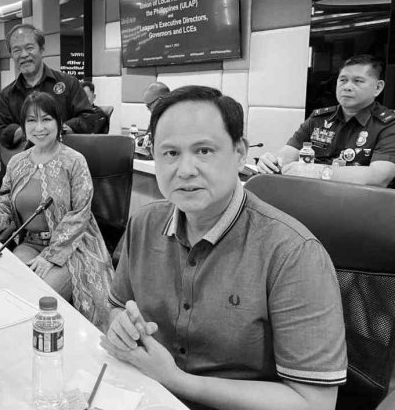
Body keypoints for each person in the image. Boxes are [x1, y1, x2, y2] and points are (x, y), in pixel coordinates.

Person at [102, 86, 347, 410]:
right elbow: (117, 307)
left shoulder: (292, 253)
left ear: (239, 152)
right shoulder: (144, 224)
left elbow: (315, 403)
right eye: (170, 153)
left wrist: (177, 380)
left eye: (204, 151)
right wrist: (121, 325)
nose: (185, 170)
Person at [0, 92, 114, 329]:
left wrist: (51, 255)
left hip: (73, 248)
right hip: (31, 243)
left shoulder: (74, 161)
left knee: (35, 300)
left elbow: (80, 214)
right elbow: (5, 202)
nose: (39, 127)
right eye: (31, 120)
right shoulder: (17, 162)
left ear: (58, 122)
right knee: (5, 290)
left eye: (46, 119)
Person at [257, 54, 395, 187]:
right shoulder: (319, 118)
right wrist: (271, 161)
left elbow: (379, 177)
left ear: (378, 88)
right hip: (310, 197)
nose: (347, 86)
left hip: (361, 204)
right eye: (343, 80)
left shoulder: (388, 124)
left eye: (358, 81)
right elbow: (287, 155)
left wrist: (316, 171)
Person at [0, 24, 97, 149]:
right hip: (25, 161)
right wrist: (29, 131)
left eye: (29, 48)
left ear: (42, 49)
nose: (24, 54)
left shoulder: (69, 84)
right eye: (17, 50)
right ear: (12, 55)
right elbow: (0, 130)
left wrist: (58, 128)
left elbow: (88, 119)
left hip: (65, 158)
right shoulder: (6, 95)